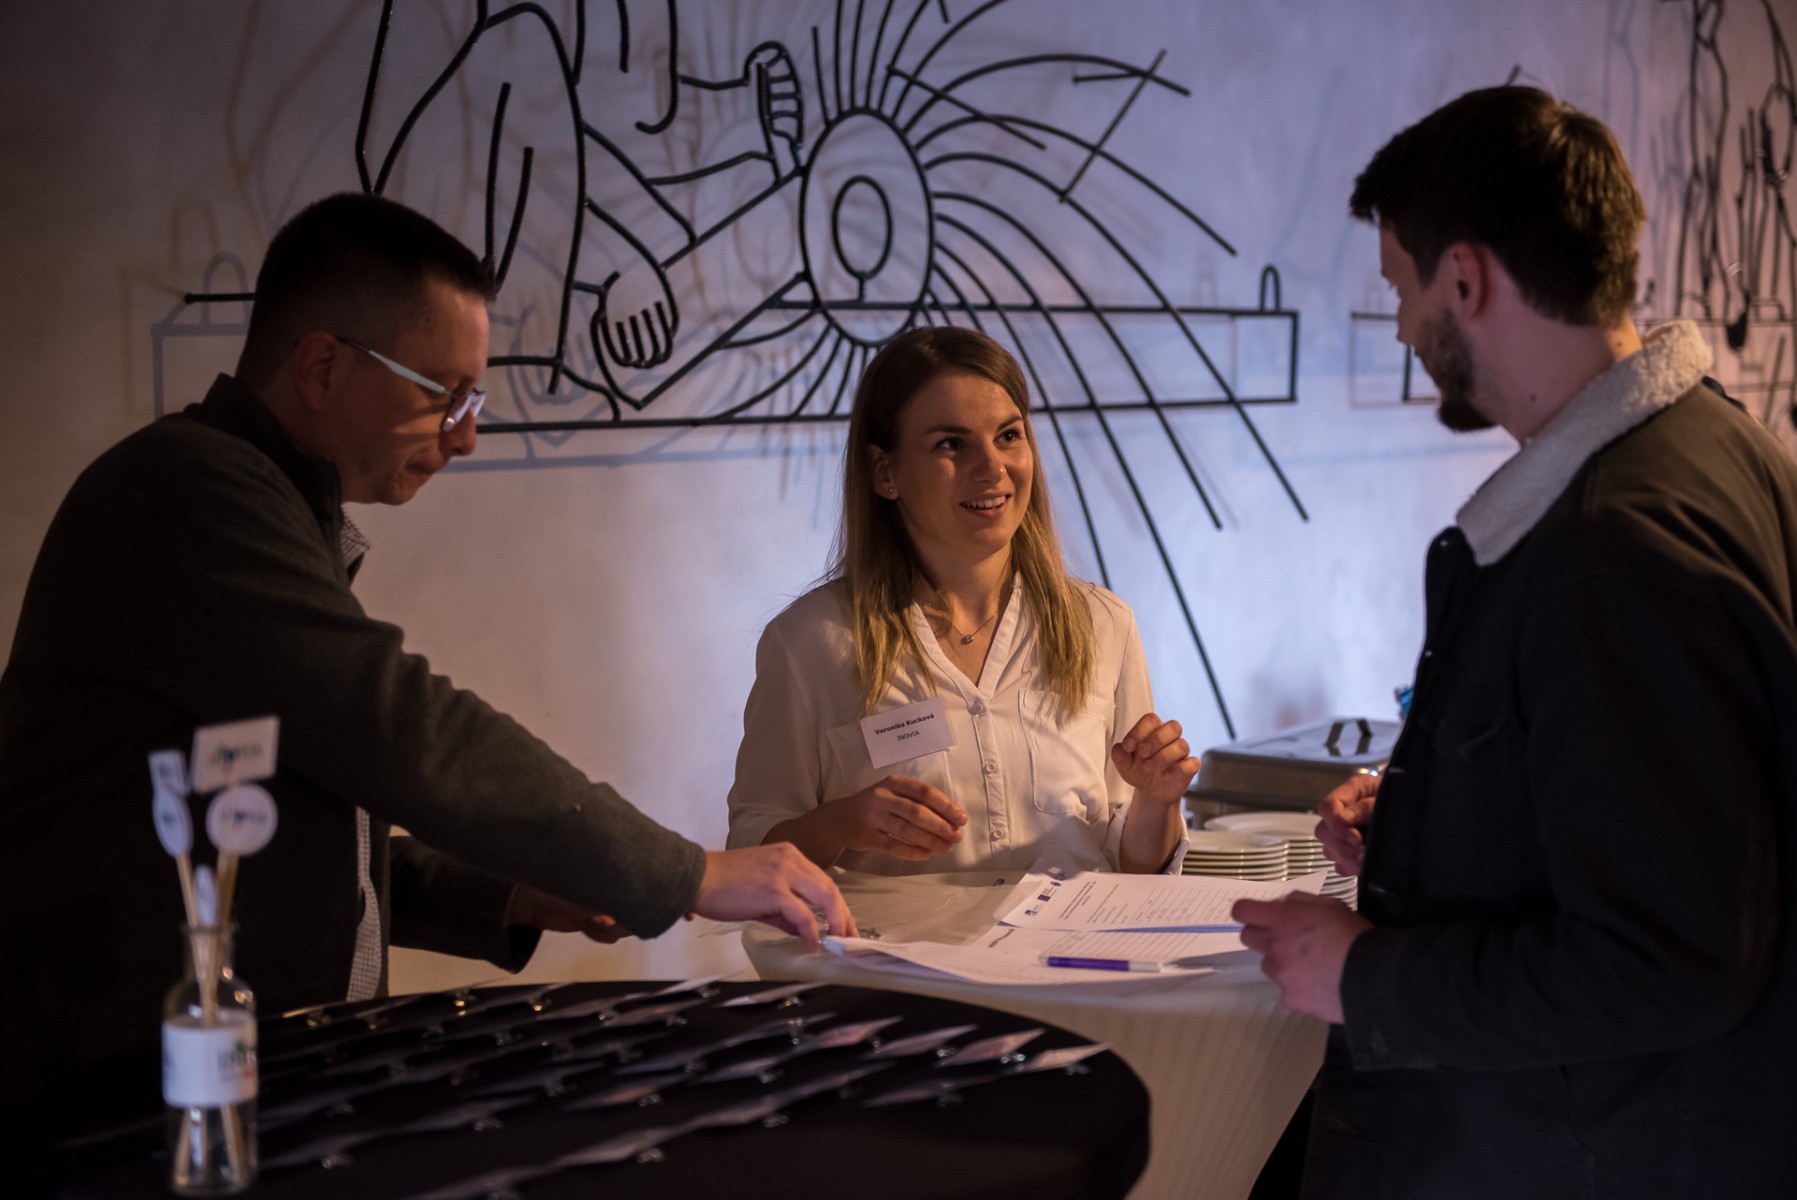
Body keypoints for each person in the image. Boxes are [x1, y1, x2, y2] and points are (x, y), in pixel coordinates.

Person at [0, 192, 853, 1148]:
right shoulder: (186, 489)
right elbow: (402, 729)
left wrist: (509, 893)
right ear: (322, 366)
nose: (464, 435)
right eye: (443, 395)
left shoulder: (261, 500)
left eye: (472, 402)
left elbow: (288, 837)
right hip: (119, 1098)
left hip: (220, 1078)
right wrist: (685, 871)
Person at [1233, 86, 1797, 1198]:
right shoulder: (1716, 452)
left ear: (1465, 279)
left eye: (1399, 289)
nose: (1403, 327)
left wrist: (1365, 979)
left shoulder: (1614, 549)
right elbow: (1665, 823)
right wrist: (1438, 834)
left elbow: (1667, 959)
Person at [726, 325, 1198, 875]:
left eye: (1008, 436)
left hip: (1068, 936)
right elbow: (751, 852)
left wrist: (1157, 801)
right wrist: (840, 823)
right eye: (951, 444)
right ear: (884, 472)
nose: (992, 467)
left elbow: (1133, 868)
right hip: (882, 938)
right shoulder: (812, 641)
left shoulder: (1103, 624)